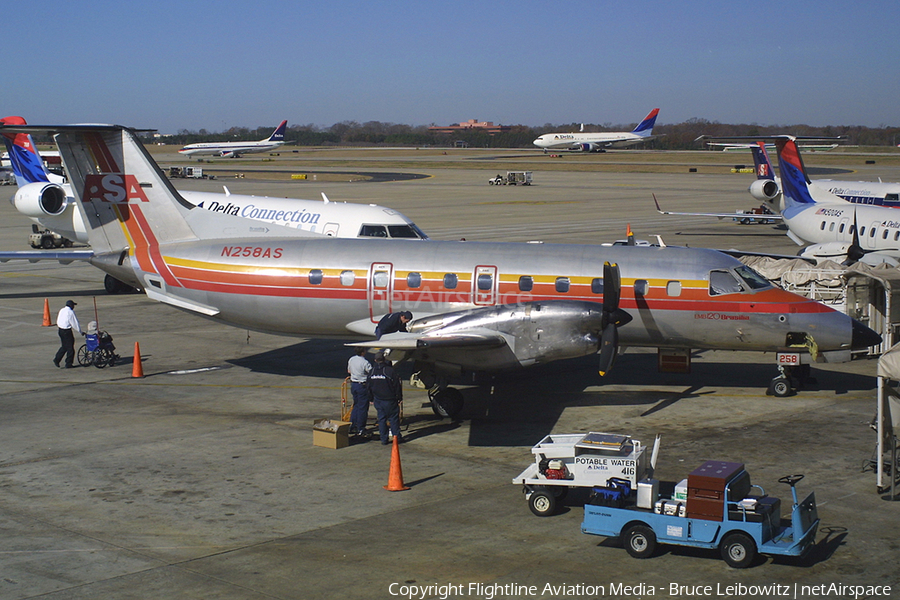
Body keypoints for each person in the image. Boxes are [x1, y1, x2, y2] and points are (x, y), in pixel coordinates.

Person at [367, 352, 403, 445]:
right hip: (389, 400)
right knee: (393, 419)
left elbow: (368, 386)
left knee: (382, 419)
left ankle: (384, 439)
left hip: (378, 400)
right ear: (384, 360)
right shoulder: (389, 371)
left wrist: (371, 399)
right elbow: (396, 386)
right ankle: (397, 438)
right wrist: (399, 397)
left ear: (375, 360)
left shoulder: (372, 371)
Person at [347, 348, 373, 438]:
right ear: (363, 352)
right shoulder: (364, 362)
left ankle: (352, 425)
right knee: (363, 407)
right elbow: (371, 373)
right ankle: (361, 427)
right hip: (362, 385)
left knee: (356, 405)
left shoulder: (352, 359)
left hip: (354, 384)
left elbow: (349, 371)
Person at [53, 300, 82, 368]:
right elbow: (75, 323)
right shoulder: (70, 312)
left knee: (64, 346)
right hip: (67, 331)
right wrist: (80, 331)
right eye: (73, 305)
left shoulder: (62, 310)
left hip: (60, 330)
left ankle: (57, 359)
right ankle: (68, 363)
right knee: (70, 348)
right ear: (71, 306)